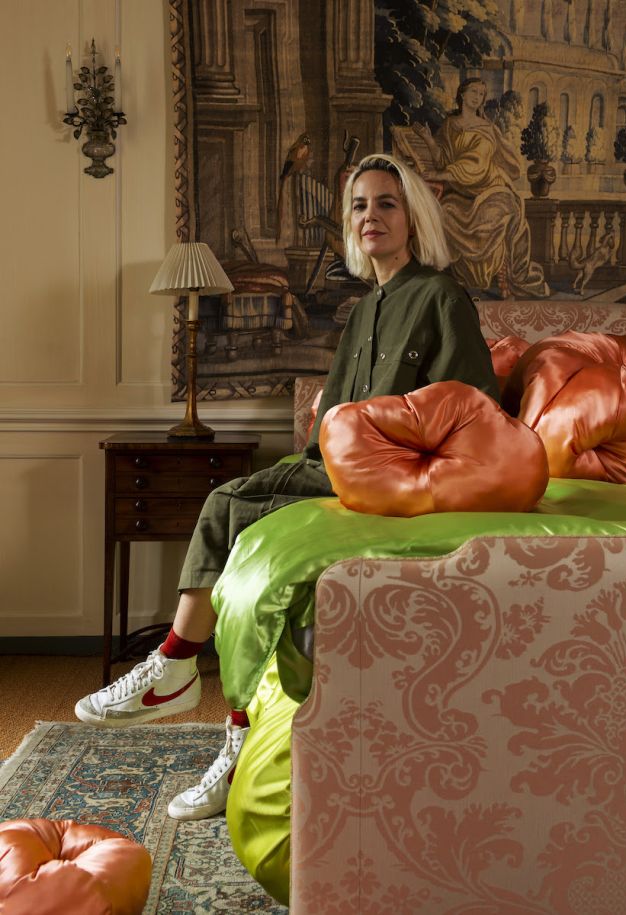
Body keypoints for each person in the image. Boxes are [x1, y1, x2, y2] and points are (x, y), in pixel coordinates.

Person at [75, 153, 499, 821]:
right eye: (359, 205)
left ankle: (184, 676)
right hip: (327, 462)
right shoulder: (361, 311)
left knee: (234, 515)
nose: (370, 216)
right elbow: (335, 414)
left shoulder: (440, 298)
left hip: (384, 478)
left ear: (413, 215)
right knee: (228, 506)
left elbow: (471, 407)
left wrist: (408, 473)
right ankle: (187, 681)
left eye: (386, 203)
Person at [414, 78, 549, 299]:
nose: (477, 97)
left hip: (492, 191)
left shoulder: (486, 129)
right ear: (462, 95)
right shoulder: (450, 126)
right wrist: (429, 141)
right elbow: (443, 160)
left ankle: (495, 280)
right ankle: (458, 282)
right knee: (444, 213)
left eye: (481, 94)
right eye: (473, 92)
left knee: (492, 218)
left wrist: (440, 175)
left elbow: (476, 165)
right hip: (461, 193)